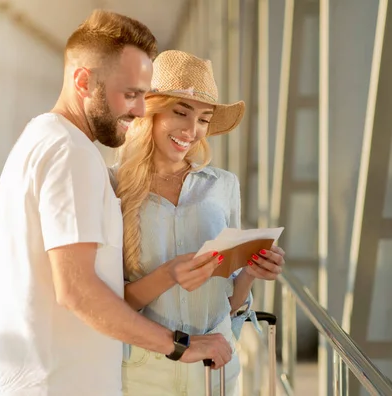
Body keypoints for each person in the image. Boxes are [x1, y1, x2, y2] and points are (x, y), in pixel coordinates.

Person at [0, 11, 232, 396]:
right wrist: (179, 345)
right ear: (83, 81)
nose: (137, 110)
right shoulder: (71, 153)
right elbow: (77, 289)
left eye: (143, 96)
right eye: (130, 94)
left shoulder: (41, 138)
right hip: (59, 385)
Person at [113, 50, 286, 396]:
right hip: (145, 375)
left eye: (204, 119)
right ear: (151, 110)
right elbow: (110, 305)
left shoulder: (223, 186)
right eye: (181, 112)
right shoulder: (115, 190)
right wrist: (168, 276)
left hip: (216, 372)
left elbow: (230, 302)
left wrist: (252, 271)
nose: (193, 131)